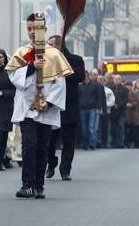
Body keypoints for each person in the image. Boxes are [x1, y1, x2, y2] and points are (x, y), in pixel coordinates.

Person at [6, 12, 72, 199]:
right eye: (29, 29)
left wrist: (49, 102)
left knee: (43, 147)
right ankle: (27, 184)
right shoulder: (22, 52)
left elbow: (60, 83)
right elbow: (13, 77)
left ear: (44, 29)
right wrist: (31, 66)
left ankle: (39, 185)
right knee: (29, 145)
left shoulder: (55, 54)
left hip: (45, 109)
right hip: (27, 108)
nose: (32, 33)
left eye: (36, 28)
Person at [45, 35, 85, 180]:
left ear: (59, 46)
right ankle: (51, 162)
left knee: (69, 141)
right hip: (52, 105)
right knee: (49, 140)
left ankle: (65, 168)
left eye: (51, 44)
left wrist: (62, 68)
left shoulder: (76, 60)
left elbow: (80, 77)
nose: (48, 47)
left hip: (69, 106)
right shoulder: (46, 60)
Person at [78, 70, 105, 150]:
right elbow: (78, 98)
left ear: (88, 75)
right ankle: (85, 144)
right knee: (84, 128)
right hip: (82, 109)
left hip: (92, 108)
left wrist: (98, 108)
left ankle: (92, 143)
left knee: (91, 127)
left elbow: (99, 98)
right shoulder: (80, 86)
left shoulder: (95, 85)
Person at [109, 74, 129, 149]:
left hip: (121, 111)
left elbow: (126, 99)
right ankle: (113, 142)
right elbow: (108, 98)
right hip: (112, 111)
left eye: (118, 79)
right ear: (113, 80)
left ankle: (120, 143)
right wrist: (112, 104)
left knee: (121, 127)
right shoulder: (110, 89)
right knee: (113, 128)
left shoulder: (125, 89)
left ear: (121, 80)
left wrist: (119, 105)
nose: (117, 80)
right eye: (116, 79)